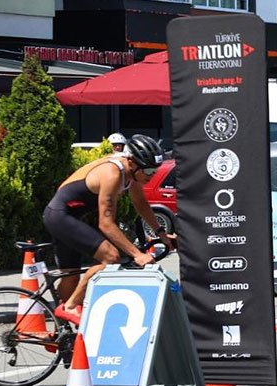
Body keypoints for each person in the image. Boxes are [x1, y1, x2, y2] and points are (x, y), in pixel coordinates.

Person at [43, 134, 178, 325]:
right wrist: (137, 254)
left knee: (71, 278)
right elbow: (106, 224)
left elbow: (140, 203)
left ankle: (61, 331)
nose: (151, 175)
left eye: (154, 171)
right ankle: (71, 306)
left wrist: (161, 233)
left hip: (72, 217)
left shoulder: (133, 173)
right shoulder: (113, 173)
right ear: (132, 161)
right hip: (60, 215)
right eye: (148, 170)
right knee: (111, 257)